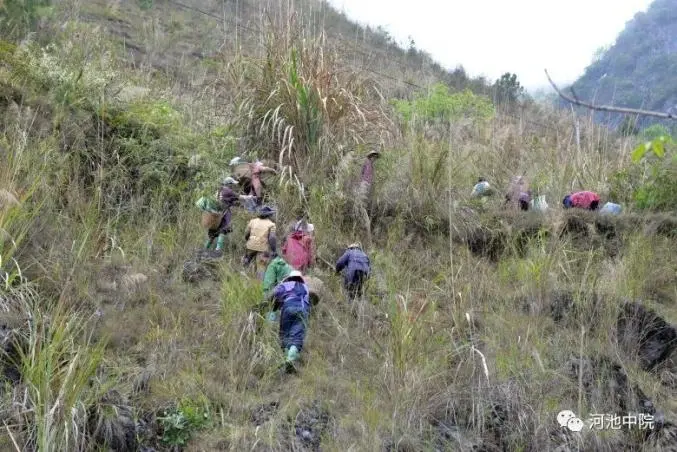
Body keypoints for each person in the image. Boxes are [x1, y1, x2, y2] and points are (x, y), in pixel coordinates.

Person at [270, 270, 311, 368]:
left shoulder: (285, 285)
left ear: (289, 278)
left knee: (285, 334)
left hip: (288, 308)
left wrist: (273, 308)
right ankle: (290, 359)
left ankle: (285, 357)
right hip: (302, 310)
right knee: (296, 336)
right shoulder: (305, 287)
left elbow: (273, 294)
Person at [203, 177, 240, 256]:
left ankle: (205, 249)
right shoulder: (228, 190)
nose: (233, 186)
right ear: (229, 184)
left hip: (215, 215)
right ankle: (218, 249)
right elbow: (239, 197)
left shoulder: (219, 190)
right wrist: (250, 197)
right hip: (224, 214)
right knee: (223, 230)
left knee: (212, 233)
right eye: (232, 184)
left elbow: (227, 200)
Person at [354, 150, 380, 246]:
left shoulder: (372, 166)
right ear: (371, 156)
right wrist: (359, 185)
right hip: (363, 185)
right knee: (361, 208)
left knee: (364, 207)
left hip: (367, 186)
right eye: (374, 157)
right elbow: (361, 175)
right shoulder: (366, 162)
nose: (374, 159)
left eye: (375, 157)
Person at [243, 206, 277, 278]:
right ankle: (259, 284)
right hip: (263, 248)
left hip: (250, 246)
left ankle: (244, 278)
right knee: (261, 267)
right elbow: (272, 238)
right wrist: (274, 250)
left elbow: (246, 234)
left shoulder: (252, 221)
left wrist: (248, 241)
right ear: (269, 215)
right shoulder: (271, 224)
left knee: (246, 262)